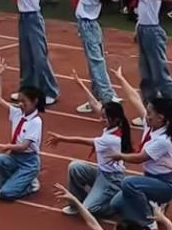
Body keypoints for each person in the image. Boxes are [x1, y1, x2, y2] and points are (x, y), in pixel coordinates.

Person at [110, 69, 172, 225]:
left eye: (149, 113)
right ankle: (155, 205)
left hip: (165, 184)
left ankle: (149, 220)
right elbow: (135, 99)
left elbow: (139, 158)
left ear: (160, 118)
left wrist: (120, 155)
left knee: (128, 183)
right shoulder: (151, 126)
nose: (146, 115)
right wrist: (121, 79)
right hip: (150, 178)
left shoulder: (163, 140)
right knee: (116, 205)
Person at [55, 84, 132, 218]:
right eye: (101, 116)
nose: (100, 119)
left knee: (88, 210)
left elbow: (84, 141)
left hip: (111, 179)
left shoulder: (111, 139)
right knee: (75, 167)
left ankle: (118, 203)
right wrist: (80, 84)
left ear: (115, 119)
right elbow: (95, 104)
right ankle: (77, 202)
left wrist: (62, 138)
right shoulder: (114, 126)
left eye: (104, 117)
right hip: (102, 173)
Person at [45, 0, 113, 111]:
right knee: (95, 63)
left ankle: (107, 99)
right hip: (90, 27)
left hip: (88, 27)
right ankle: (97, 96)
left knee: (96, 64)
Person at [0, 0, 60, 107]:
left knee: (39, 57)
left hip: (33, 20)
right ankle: (26, 90)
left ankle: (50, 91)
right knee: (25, 57)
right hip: (23, 19)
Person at [0, 77, 44, 201]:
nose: (20, 104)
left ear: (34, 101)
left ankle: (29, 185)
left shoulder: (36, 122)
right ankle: (16, 181)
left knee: (6, 194)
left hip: (28, 161)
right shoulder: (17, 113)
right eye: (19, 101)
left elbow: (24, 146)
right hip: (15, 156)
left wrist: (8, 146)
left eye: (24, 101)